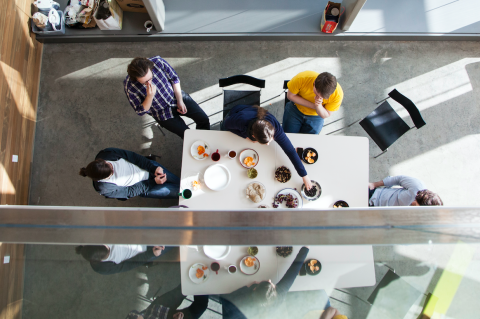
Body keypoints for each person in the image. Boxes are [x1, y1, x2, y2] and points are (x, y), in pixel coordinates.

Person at [221, 104, 312, 189]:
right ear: (254, 137)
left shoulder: (275, 127)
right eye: (265, 143)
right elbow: (226, 124)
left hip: (251, 117)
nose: (268, 144)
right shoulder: (241, 120)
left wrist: (304, 175)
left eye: (271, 139)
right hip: (233, 116)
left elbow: (290, 151)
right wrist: (245, 136)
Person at [124, 56, 210, 139]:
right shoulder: (130, 86)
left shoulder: (158, 62)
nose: (150, 83)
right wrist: (149, 96)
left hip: (175, 96)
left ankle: (205, 141)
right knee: (188, 136)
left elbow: (174, 79)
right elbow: (140, 111)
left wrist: (180, 101)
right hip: (160, 112)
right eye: (145, 82)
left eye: (150, 78)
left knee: (203, 119)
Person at [220, 246, 310, 318]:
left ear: (254, 289)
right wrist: (306, 248)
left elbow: (223, 299)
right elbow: (293, 271)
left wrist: (247, 287)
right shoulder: (279, 295)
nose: (270, 280)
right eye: (272, 284)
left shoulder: (240, 301)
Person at [79, 147, 179, 200]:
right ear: (99, 179)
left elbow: (132, 156)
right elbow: (130, 192)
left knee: (181, 182)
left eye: (110, 165)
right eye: (111, 173)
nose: (114, 169)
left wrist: (153, 168)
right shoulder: (104, 188)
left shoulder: (106, 153)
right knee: (180, 192)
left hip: (149, 167)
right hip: (146, 187)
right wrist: (153, 182)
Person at [75, 245, 174, 275]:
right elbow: (129, 265)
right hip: (147, 251)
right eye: (109, 252)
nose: (109, 246)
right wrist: (150, 254)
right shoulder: (102, 267)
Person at [126, 285, 208, 319]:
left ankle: (198, 273)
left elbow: (131, 314)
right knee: (200, 307)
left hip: (157, 310)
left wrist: (138, 316)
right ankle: (205, 284)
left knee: (184, 288)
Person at [368, 175, 443, 207]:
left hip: (377, 213)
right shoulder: (417, 186)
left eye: (414, 205)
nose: (412, 203)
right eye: (415, 202)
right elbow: (398, 179)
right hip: (375, 196)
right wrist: (374, 184)